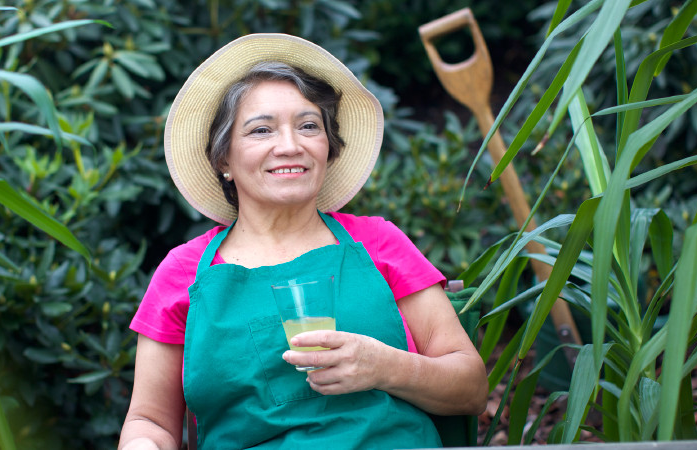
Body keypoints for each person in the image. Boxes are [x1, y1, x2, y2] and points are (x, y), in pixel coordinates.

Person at [119, 33, 488, 450]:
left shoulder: (378, 242)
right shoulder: (182, 272)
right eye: (261, 130)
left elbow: (471, 389)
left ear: (327, 148)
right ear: (223, 159)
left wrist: (384, 366)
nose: (290, 146)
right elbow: (150, 421)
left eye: (308, 126)